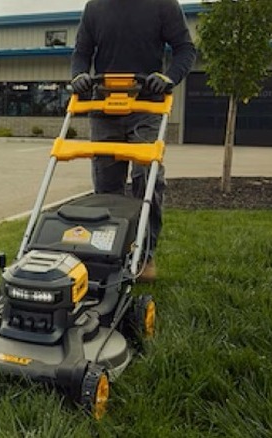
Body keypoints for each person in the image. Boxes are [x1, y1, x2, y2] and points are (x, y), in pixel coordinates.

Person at [70, 0, 196, 282]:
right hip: (104, 107)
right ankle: (107, 254)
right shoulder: (95, 8)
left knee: (146, 177)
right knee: (106, 186)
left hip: (146, 107)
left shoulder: (163, 5)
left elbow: (185, 49)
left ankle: (144, 255)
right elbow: (81, 53)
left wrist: (168, 77)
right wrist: (79, 75)